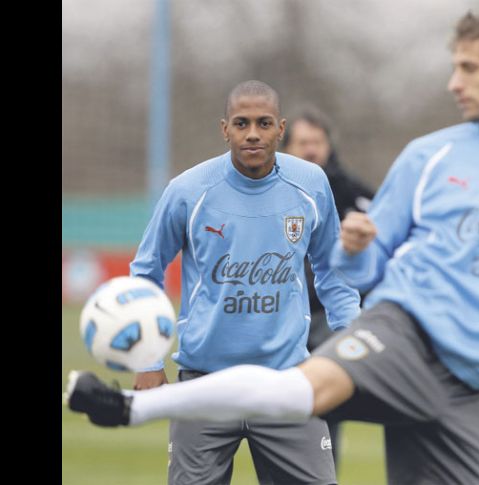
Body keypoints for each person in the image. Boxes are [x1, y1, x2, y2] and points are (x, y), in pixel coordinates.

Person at [66, 13, 479, 484]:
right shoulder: (430, 155)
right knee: (298, 392)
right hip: (406, 332)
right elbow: (367, 266)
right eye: (453, 66)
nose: (454, 81)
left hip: (470, 387)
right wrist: (357, 248)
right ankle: (129, 406)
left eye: (469, 68)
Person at [123, 80, 361, 484]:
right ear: (225, 129)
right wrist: (147, 359)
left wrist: (354, 350)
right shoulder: (187, 191)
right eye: (242, 123)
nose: (253, 133)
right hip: (204, 385)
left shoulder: (311, 184)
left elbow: (334, 272)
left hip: (287, 381)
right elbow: (146, 272)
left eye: (264, 123)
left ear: (281, 128)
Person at [281, 107, 374, 464]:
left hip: (330, 321)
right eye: (303, 142)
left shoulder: (353, 194)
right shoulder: (266, 191)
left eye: (317, 142)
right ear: (286, 147)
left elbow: (384, 248)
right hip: (280, 318)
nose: (311, 150)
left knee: (324, 413)